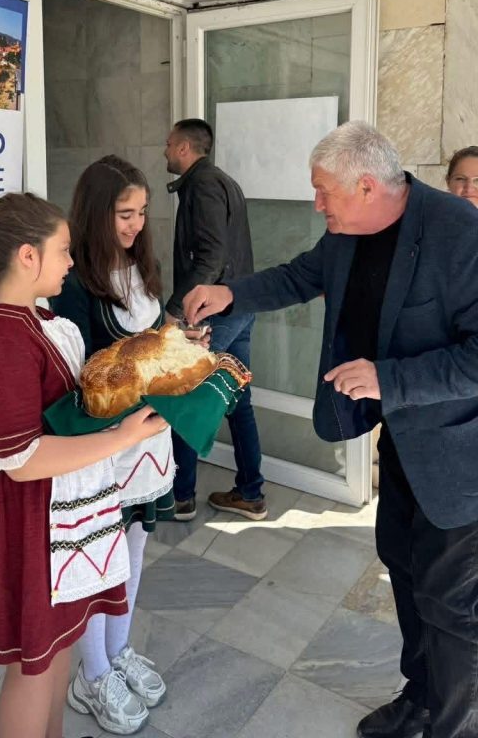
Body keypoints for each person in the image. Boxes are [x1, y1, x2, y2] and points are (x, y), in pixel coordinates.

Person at [183, 121, 478, 738]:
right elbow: (299, 276)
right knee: (404, 567)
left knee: (449, 601)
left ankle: (453, 723)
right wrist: (228, 294)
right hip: (401, 441)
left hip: (459, 452)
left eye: (324, 191)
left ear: (367, 186)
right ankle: (421, 698)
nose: (317, 204)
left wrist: (388, 379)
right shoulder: (348, 232)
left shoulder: (460, 232)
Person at [0, 193, 167, 738]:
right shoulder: (2, 337)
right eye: (63, 250)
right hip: (30, 514)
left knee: (60, 645)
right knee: (32, 666)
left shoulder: (37, 319)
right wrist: (121, 436)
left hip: (61, 509)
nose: (70, 262)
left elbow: (68, 408)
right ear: (27, 256)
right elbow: (20, 458)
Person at [52, 156, 177, 735]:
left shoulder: (142, 265)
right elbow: (81, 376)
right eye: (125, 214)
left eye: (142, 212)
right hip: (104, 446)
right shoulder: (74, 282)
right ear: (96, 213)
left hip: (148, 442)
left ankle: (118, 650)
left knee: (134, 546)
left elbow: (153, 341)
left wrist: (178, 343)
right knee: (96, 559)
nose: (136, 224)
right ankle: (93, 674)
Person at [164, 118, 266, 522]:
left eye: (169, 144)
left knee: (185, 397)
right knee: (239, 401)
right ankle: (251, 493)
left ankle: (181, 498)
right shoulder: (223, 182)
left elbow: (211, 256)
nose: (165, 150)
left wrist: (176, 309)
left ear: (184, 148)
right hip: (239, 306)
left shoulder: (203, 185)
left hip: (214, 312)